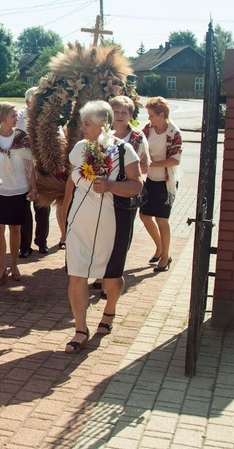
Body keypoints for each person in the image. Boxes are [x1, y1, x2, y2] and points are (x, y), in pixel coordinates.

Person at [63, 101, 142, 353]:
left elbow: (137, 185)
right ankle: (80, 329)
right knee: (77, 274)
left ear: (103, 125)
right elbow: (71, 182)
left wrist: (109, 186)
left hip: (112, 223)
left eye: (87, 123)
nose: (82, 127)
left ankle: (109, 311)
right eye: (82, 123)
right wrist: (64, 218)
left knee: (111, 277)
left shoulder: (124, 150)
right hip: (79, 221)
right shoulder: (79, 149)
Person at [91, 96, 151, 294]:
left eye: (124, 112)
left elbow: (144, 164)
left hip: (124, 194)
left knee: (120, 237)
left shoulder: (137, 138)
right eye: (115, 112)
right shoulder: (102, 135)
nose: (119, 116)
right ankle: (101, 274)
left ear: (130, 115)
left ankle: (112, 278)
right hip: (101, 193)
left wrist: (130, 180)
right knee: (101, 234)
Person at [0, 102, 36, 284]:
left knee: (15, 229)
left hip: (19, 189)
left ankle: (14, 265)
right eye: (13, 115)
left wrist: (33, 187)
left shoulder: (22, 137)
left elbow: (30, 165)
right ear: (2, 117)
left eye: (16, 115)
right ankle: (1, 267)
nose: (17, 118)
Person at [140, 96, 182, 272]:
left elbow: (175, 160)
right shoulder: (148, 129)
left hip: (166, 182)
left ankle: (165, 257)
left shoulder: (173, 133)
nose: (149, 119)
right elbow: (139, 145)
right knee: (144, 216)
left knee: (162, 219)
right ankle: (160, 247)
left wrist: (150, 164)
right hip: (149, 180)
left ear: (162, 115)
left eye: (151, 115)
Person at [17, 87, 51, 257]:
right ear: (28, 101)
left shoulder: (48, 117)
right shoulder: (19, 117)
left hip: (42, 165)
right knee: (24, 207)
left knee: (42, 206)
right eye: (36, 99)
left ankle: (42, 241)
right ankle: (25, 245)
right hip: (23, 165)